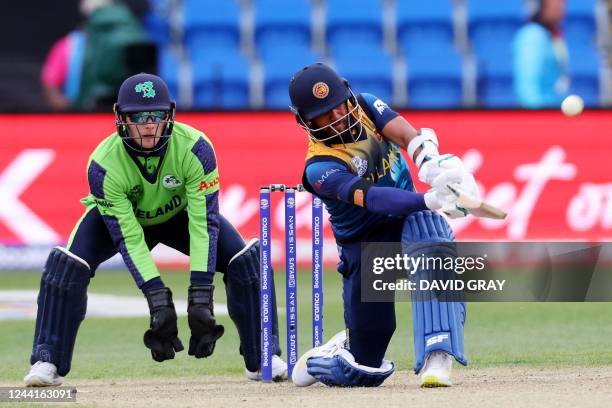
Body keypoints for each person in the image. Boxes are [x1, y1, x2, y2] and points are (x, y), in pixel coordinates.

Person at [24, 73, 287, 387]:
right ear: (121, 118)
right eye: (138, 116)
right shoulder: (103, 164)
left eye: (156, 115)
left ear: (170, 114)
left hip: (179, 216)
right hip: (128, 222)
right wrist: (157, 298)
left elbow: (204, 225)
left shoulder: (196, 149)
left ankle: (264, 357)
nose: (149, 124)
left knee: (247, 260)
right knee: (66, 266)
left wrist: (201, 296)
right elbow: (128, 237)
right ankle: (46, 359)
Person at [286, 63, 479, 388]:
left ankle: (438, 354)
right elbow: (374, 198)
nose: (336, 119)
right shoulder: (319, 167)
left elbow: (405, 134)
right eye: (323, 116)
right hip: (365, 244)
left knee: (431, 237)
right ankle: (334, 353)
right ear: (306, 122)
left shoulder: (365, 105)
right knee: (365, 368)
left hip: (408, 219)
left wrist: (430, 160)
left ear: (348, 97)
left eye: (338, 108)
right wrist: (431, 199)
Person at [513, 0, 569, 108]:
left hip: (556, 110)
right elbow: (527, 90)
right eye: (555, 5)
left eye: (562, 4)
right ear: (539, 6)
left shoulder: (554, 36)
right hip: (540, 115)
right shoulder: (532, 36)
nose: (561, 10)